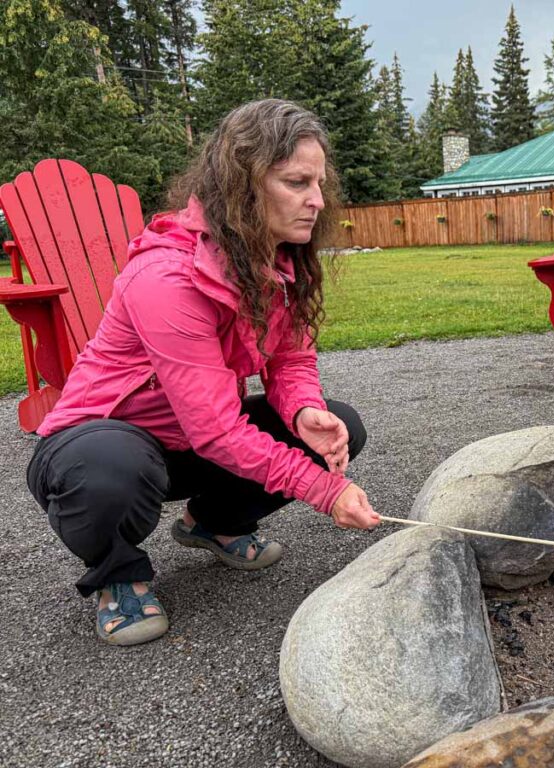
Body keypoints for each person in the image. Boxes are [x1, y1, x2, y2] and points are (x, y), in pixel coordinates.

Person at [27, 99, 380, 647]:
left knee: (341, 424)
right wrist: (324, 491)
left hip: (192, 445)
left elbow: (291, 360)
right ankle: (118, 575)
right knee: (109, 471)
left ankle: (212, 522)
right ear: (242, 185)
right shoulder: (166, 278)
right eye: (296, 182)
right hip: (97, 445)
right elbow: (216, 429)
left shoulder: (278, 264)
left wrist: (305, 409)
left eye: (319, 182)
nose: (317, 200)